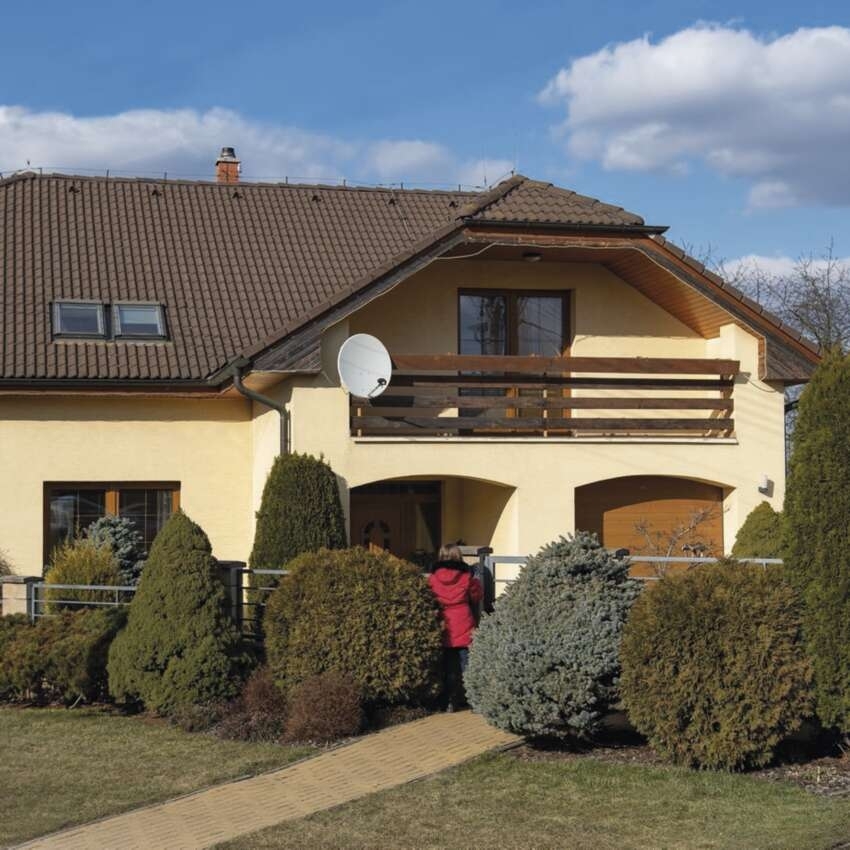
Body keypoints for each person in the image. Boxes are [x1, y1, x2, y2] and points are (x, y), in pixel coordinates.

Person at [428, 544, 483, 711]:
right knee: (467, 664)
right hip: (463, 620)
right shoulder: (466, 577)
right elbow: (477, 596)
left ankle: (450, 701)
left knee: (448, 666)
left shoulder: (433, 578)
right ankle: (473, 700)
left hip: (444, 622)